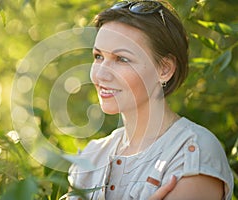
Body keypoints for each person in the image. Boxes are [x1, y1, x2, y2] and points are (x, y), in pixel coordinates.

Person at [66, 1, 234, 199]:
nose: (101, 74)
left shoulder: (193, 152)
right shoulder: (91, 156)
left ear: (164, 69)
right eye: (98, 56)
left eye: (122, 59)